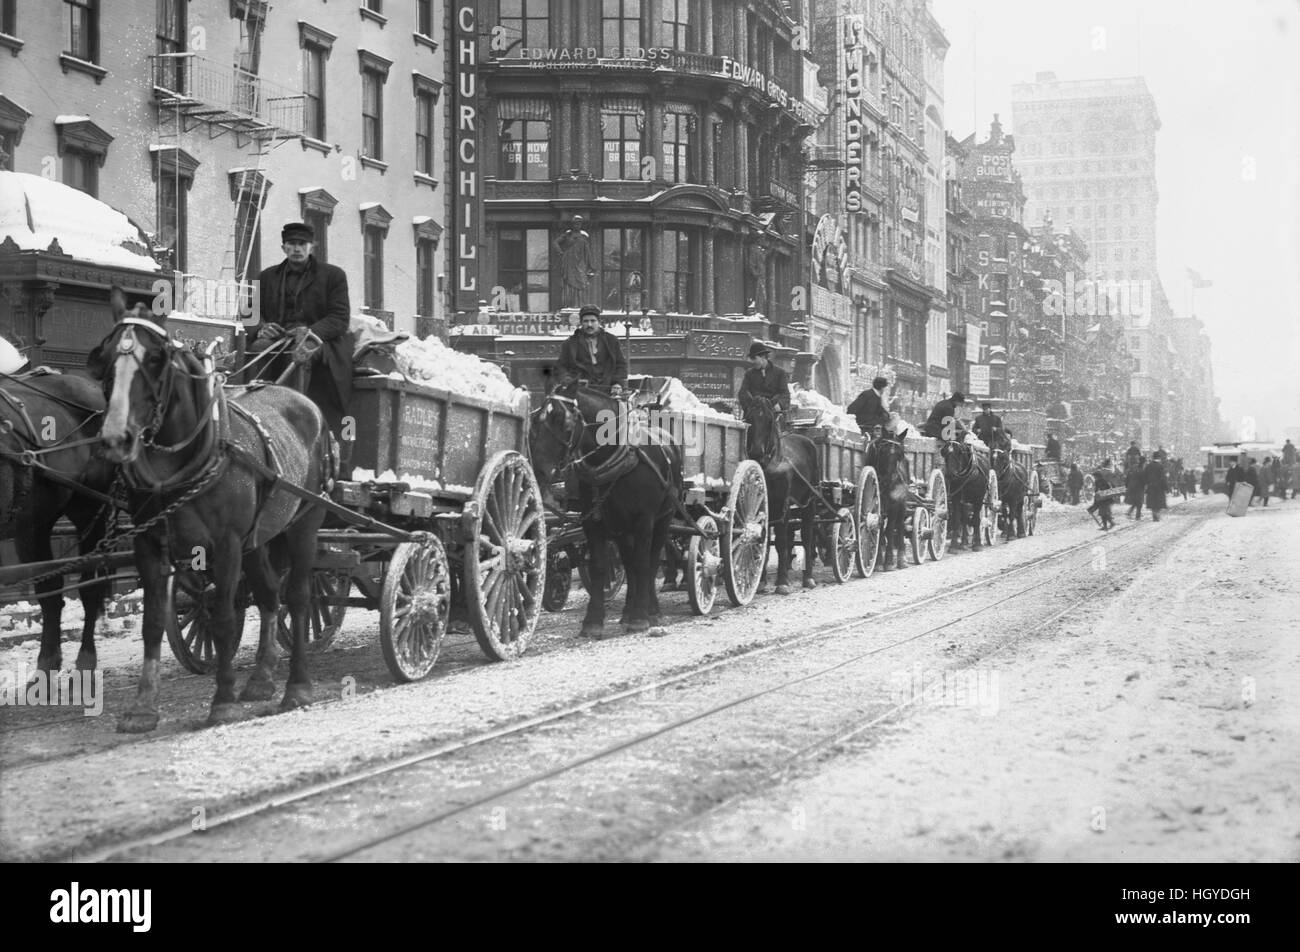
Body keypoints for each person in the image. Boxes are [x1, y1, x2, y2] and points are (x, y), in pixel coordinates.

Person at [251, 221, 354, 441]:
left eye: (302, 244)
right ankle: (255, 413)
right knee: (257, 349)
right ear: (283, 248)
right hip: (278, 338)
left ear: (311, 247)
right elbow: (248, 313)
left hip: (320, 341)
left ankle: (292, 418)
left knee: (301, 352)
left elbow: (340, 318)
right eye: (292, 244)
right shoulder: (266, 277)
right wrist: (261, 327)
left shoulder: (334, 276)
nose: (297, 249)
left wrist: (310, 331)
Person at [556, 304, 628, 393]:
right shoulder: (570, 343)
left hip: (608, 389)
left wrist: (617, 383)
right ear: (581, 323)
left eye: (593, 321)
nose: (589, 324)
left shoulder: (611, 341)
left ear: (599, 322)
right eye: (585, 321)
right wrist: (568, 380)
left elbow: (620, 364)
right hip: (581, 391)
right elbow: (561, 366)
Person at [552, 216, 595, 309]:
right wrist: (560, 252)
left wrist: (590, 265)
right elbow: (555, 243)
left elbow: (587, 252)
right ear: (572, 224)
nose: (577, 225)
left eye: (579, 223)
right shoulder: (567, 235)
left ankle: (579, 305)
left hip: (580, 263)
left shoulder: (584, 236)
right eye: (575, 223)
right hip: (569, 261)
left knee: (581, 282)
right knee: (569, 283)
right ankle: (570, 305)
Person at [1087, 459, 1117, 530]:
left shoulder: (1102, 482)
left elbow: (1105, 492)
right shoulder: (1099, 482)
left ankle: (1107, 525)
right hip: (1103, 501)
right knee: (1103, 514)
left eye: (1095, 477)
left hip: (1105, 500)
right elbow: (1097, 494)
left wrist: (1093, 507)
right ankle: (1110, 524)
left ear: (1098, 476)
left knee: (1104, 514)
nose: (1094, 478)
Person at [1144, 452, 1169, 521]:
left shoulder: (1148, 466)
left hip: (1150, 486)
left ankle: (1154, 514)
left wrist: (1146, 484)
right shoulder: (1160, 466)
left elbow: (1145, 477)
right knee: (1158, 502)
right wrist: (1166, 487)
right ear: (1159, 458)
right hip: (1159, 487)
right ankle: (1157, 514)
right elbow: (1163, 478)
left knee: (1152, 502)